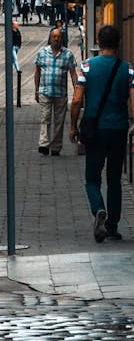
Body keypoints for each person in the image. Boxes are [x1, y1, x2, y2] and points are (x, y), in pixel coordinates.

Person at [70, 23, 134, 242]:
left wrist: (73, 126)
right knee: (115, 178)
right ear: (118, 43)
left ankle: (98, 207)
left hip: (94, 130)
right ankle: (113, 225)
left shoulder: (87, 66)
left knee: (92, 177)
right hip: (118, 129)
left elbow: (77, 99)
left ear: (99, 41)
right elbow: (133, 106)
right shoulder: (128, 69)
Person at [34, 26, 77, 155]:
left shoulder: (68, 54)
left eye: (58, 37)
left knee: (59, 121)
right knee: (45, 118)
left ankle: (56, 147)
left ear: (62, 39)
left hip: (60, 92)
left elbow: (73, 73)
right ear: (50, 38)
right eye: (54, 36)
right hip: (45, 91)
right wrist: (36, 90)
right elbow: (37, 72)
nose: (56, 39)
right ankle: (44, 144)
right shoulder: (42, 52)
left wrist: (77, 90)